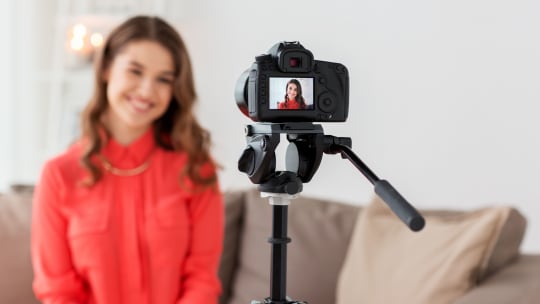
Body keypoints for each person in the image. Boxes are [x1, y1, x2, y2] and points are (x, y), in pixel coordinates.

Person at [31, 16, 224, 304]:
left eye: (163, 79)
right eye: (135, 71)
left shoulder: (196, 169)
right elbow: (58, 292)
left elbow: (201, 281)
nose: (147, 91)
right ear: (107, 68)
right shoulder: (58, 175)